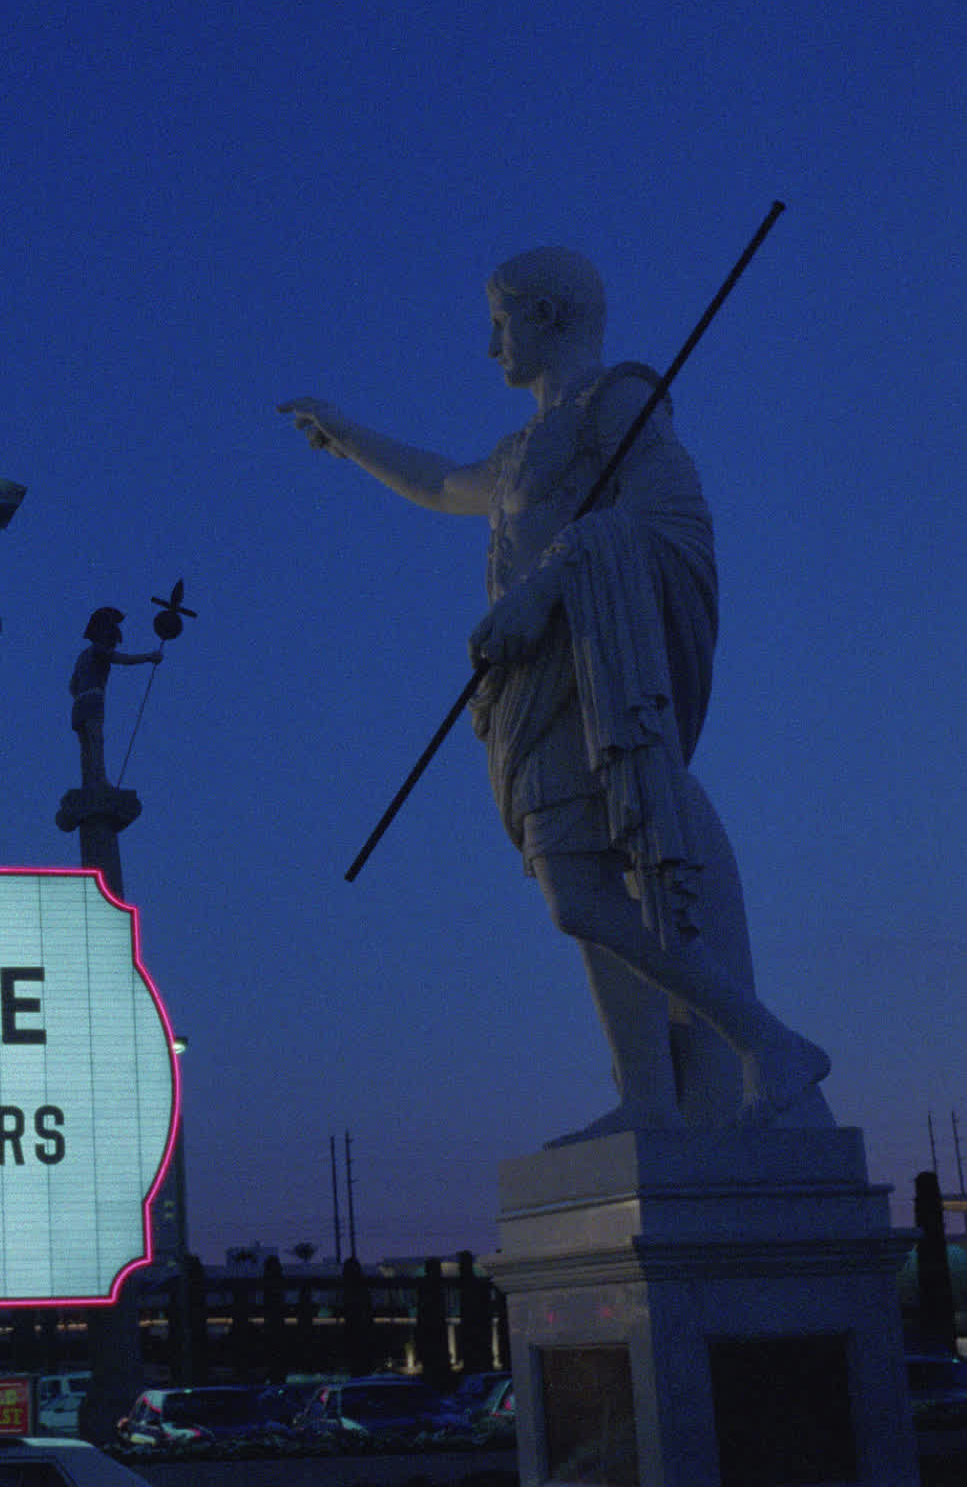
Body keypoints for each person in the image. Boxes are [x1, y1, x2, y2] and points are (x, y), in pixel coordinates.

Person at [280, 247, 829, 1144]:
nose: (490, 346)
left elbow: (670, 521)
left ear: (549, 315)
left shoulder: (617, 406)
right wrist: (346, 434)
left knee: (580, 893)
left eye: (501, 324)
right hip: (531, 688)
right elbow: (441, 482)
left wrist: (546, 586)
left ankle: (767, 1043)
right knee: (583, 894)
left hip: (594, 679)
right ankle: (648, 1098)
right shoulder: (527, 444)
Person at [70, 607, 162, 791]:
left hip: (78, 705)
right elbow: (121, 659)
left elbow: (72, 685)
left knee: (86, 747)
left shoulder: (82, 656)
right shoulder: (98, 650)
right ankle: (100, 781)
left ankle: (88, 782)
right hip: (93, 699)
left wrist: (81, 695)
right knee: (96, 742)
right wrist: (149, 657)